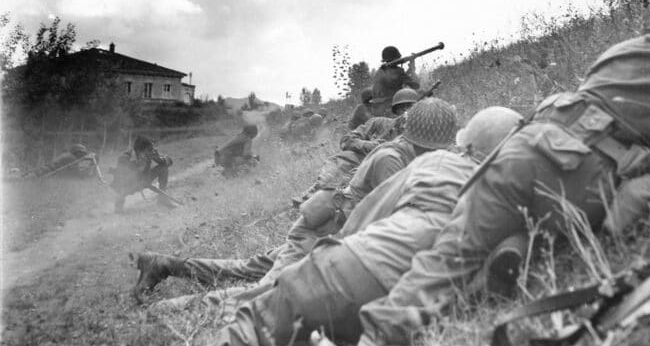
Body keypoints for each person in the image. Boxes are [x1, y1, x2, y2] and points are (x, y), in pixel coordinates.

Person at [355, 0, 650, 346]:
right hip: (582, 170)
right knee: (572, 229)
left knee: (451, 252)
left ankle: (378, 336)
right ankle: (515, 252)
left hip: (523, 145)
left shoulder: (626, 49)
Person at [202, 107, 523, 346]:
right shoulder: (509, 197)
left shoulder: (433, 163)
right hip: (323, 235)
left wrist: (337, 256)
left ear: (464, 144)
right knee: (260, 281)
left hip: (351, 258)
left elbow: (368, 222)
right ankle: (196, 296)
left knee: (259, 315)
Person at [130, 98, 459, 301]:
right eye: (441, 148)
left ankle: (163, 264)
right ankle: (170, 308)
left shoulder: (403, 155)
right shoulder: (391, 159)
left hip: (323, 227)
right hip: (320, 232)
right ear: (428, 143)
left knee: (247, 269)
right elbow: (393, 220)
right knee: (267, 293)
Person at [110, 135, 174, 213]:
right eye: (149, 149)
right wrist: (139, 169)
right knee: (122, 185)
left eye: (151, 149)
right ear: (140, 150)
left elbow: (169, 162)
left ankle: (162, 200)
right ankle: (118, 208)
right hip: (128, 185)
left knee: (163, 169)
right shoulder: (124, 158)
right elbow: (120, 180)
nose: (152, 151)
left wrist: (159, 159)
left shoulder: (148, 153)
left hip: (143, 180)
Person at [370, 46, 420, 117]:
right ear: (396, 58)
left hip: (378, 109)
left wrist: (409, 69)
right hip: (391, 108)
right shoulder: (398, 72)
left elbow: (399, 78)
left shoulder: (380, 71)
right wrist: (412, 69)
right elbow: (416, 85)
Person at [23, 144, 98, 179]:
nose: (83, 155)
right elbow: (76, 175)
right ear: (77, 152)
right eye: (82, 153)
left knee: (30, 174)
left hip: (46, 169)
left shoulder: (67, 155)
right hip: (47, 172)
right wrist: (90, 167)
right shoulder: (71, 158)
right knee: (29, 177)